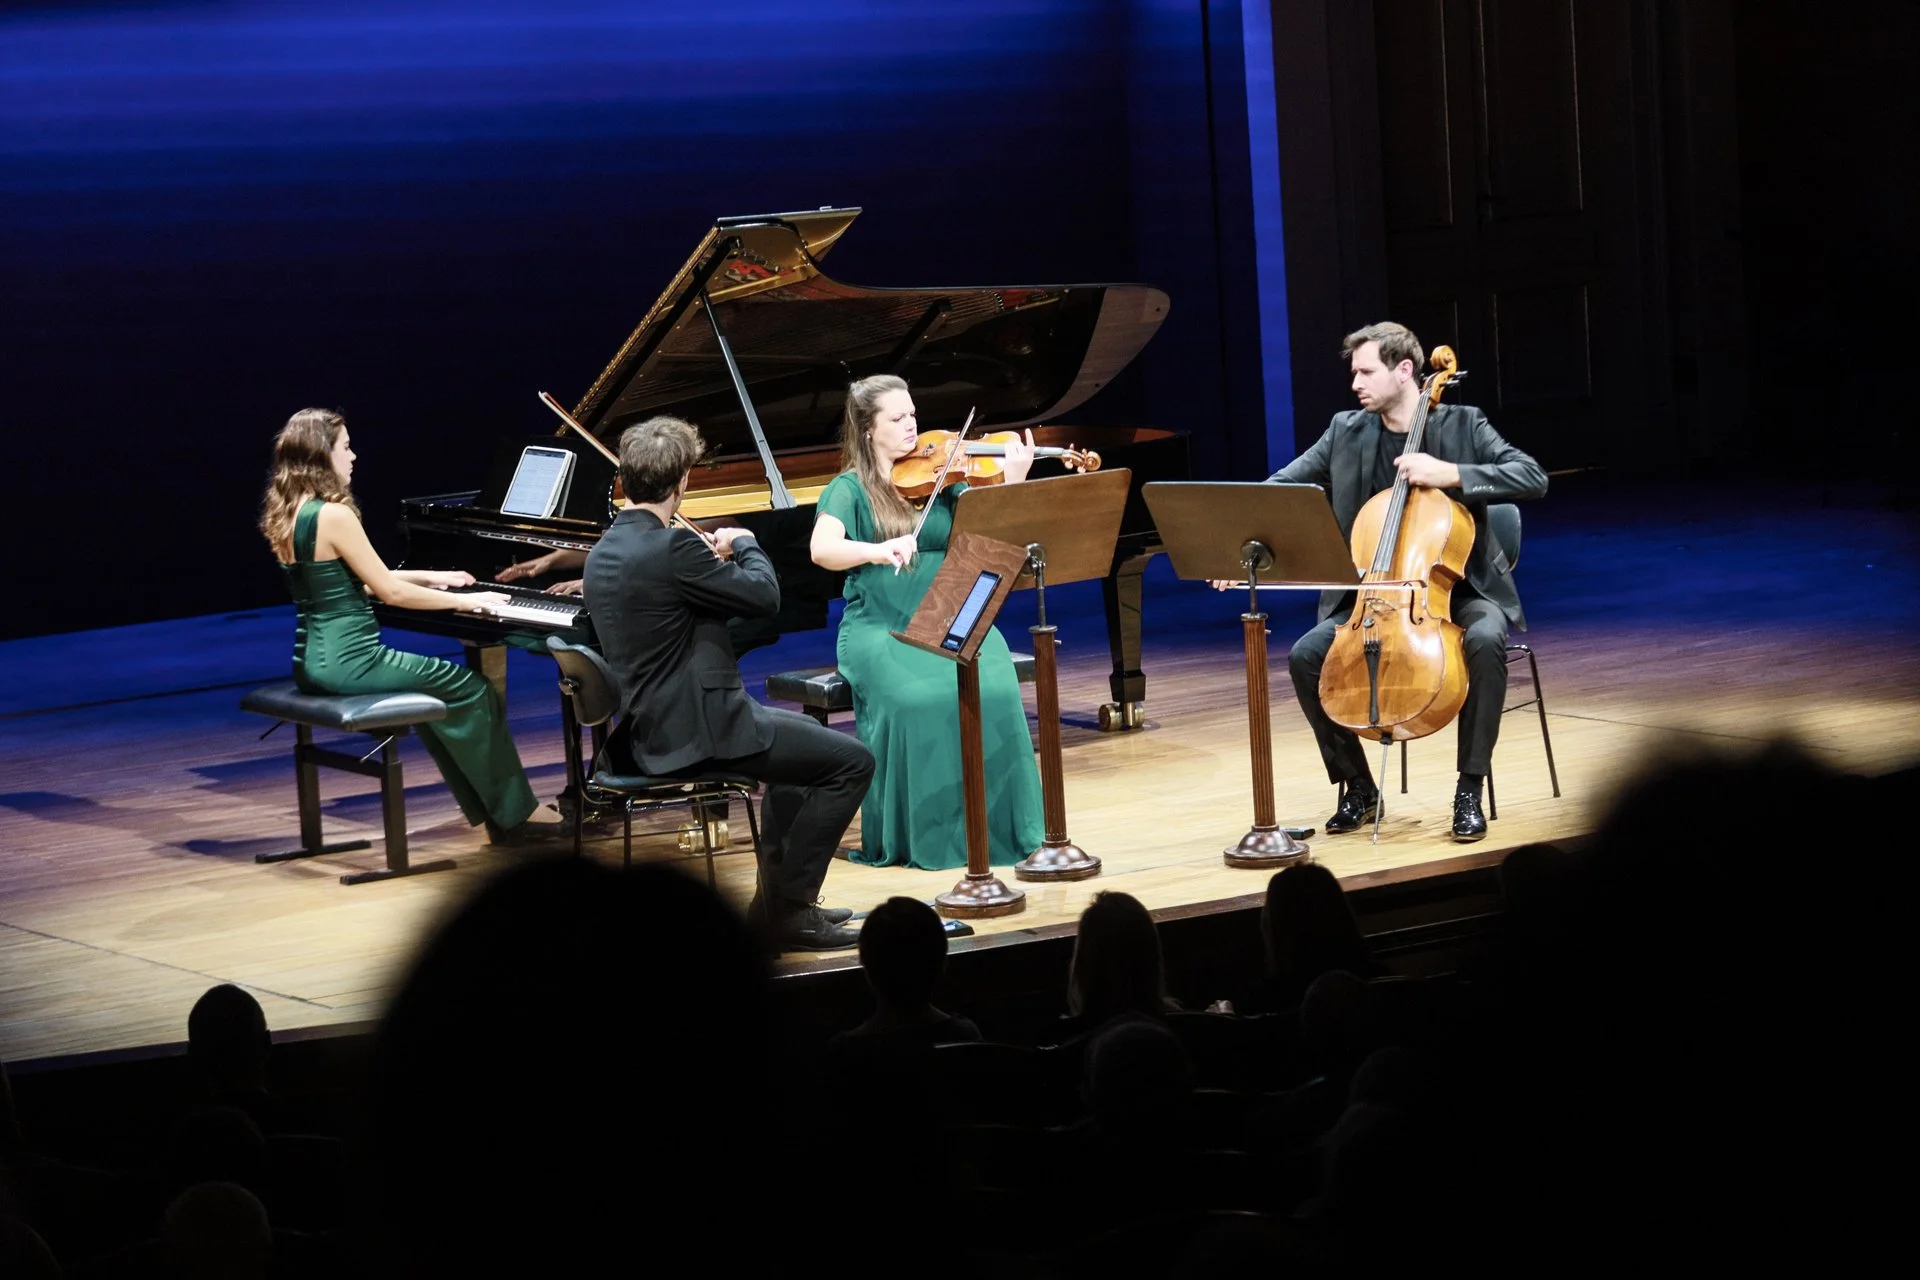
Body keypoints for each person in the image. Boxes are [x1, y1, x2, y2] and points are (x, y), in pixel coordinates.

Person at [582, 415, 872, 951]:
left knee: (798, 767)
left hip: (652, 730)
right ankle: (793, 910)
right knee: (851, 763)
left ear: (624, 481)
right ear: (682, 482)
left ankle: (777, 907)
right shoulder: (674, 549)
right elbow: (765, 597)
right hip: (703, 729)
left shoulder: (604, 552)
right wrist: (745, 542)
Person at [1255, 322, 1547, 841]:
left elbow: (1531, 476)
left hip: (1460, 592)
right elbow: (1280, 489)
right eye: (1355, 373)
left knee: (1483, 639)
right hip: (1376, 598)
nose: (1356, 384)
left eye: (1367, 372)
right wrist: (1241, 540)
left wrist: (1453, 473)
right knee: (1306, 655)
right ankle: (1361, 789)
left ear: (1406, 370)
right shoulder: (1345, 431)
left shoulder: (1464, 424)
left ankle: (1469, 789)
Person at [260, 409, 555, 845]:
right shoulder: (335, 515)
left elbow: (354, 581)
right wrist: (466, 601)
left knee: (443, 695)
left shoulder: (291, 513)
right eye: (345, 447)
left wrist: (434, 577)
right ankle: (515, 815)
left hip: (312, 660)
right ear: (322, 455)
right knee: (472, 689)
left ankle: (496, 809)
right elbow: (388, 593)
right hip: (352, 660)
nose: (353, 456)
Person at [808, 374, 1046, 871]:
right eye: (897, 418)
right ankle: (926, 838)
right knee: (917, 699)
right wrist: (877, 549)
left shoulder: (945, 482)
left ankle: (1001, 834)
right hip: (880, 624)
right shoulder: (848, 489)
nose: (913, 425)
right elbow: (822, 549)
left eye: (912, 413)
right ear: (868, 429)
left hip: (956, 610)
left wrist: (1014, 484)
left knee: (997, 691)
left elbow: (989, 540)